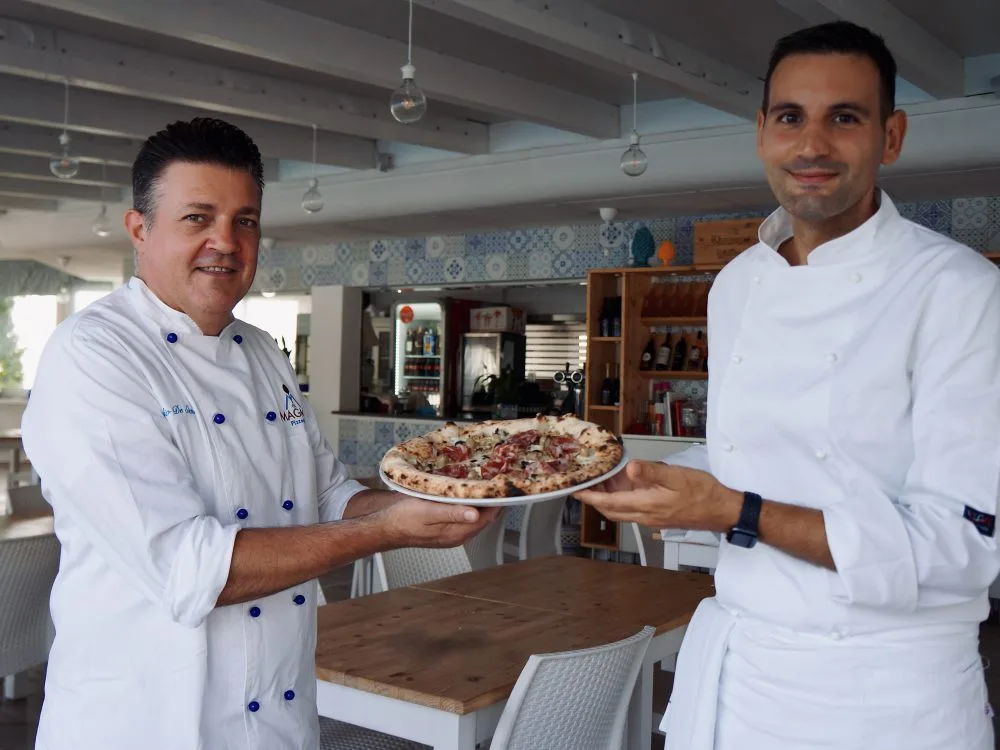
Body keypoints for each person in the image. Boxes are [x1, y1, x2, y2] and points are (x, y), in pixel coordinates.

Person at [577, 20, 1000, 750]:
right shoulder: (737, 284)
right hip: (738, 678)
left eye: (845, 117)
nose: (812, 146)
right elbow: (747, 455)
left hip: (883, 695)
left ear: (891, 137)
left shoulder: (959, 290)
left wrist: (736, 512)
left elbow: (961, 545)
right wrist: (638, 479)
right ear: (762, 134)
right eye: (790, 118)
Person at [20, 117, 497, 750]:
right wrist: (385, 531)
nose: (226, 241)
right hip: (146, 723)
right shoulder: (95, 354)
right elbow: (192, 569)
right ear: (140, 229)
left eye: (244, 220)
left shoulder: (262, 350)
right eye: (197, 218)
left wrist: (431, 504)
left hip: (278, 719)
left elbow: (330, 499)